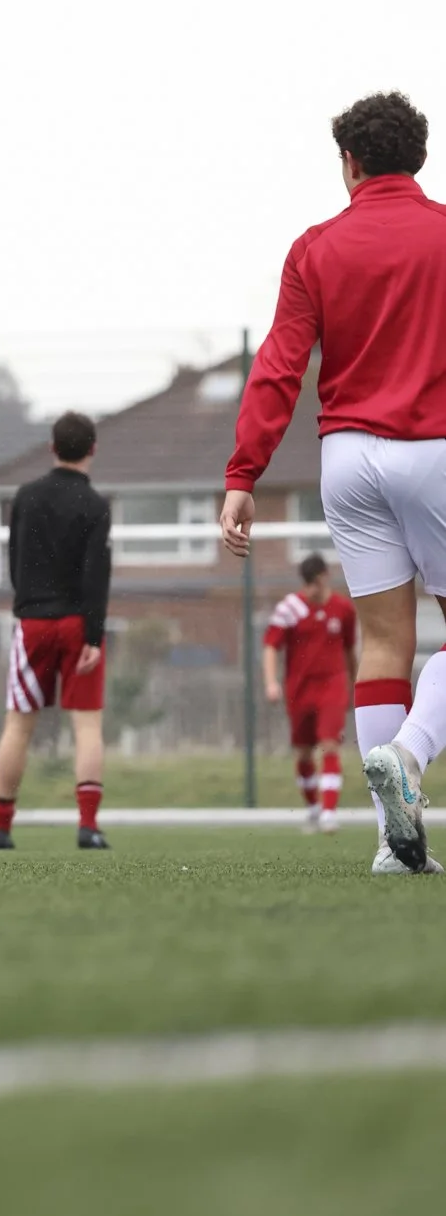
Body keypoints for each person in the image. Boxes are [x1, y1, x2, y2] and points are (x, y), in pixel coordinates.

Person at [221, 89, 446, 875]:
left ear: (349, 163)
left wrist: (244, 472)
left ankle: (394, 846)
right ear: (418, 157)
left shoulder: (315, 246)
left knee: (383, 639)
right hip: (437, 449)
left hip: (346, 458)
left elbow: (279, 367)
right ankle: (412, 759)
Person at [0, 412, 111, 851]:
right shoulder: (96, 505)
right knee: (87, 726)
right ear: (93, 449)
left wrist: (26, 604)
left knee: (18, 726)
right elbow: (98, 575)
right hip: (78, 625)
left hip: (34, 623)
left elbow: (13, 557)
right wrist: (95, 637)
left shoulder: (26, 496)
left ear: (52, 447)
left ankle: (2, 829)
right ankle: (88, 826)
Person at [262, 553, 357, 834]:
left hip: (332, 685)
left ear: (325, 577)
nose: (313, 589)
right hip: (299, 690)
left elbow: (350, 650)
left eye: (316, 582)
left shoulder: (343, 609)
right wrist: (271, 682)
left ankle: (329, 812)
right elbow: (270, 646)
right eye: (308, 584)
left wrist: (355, 682)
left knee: (330, 745)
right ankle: (314, 808)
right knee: (304, 754)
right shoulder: (289, 609)